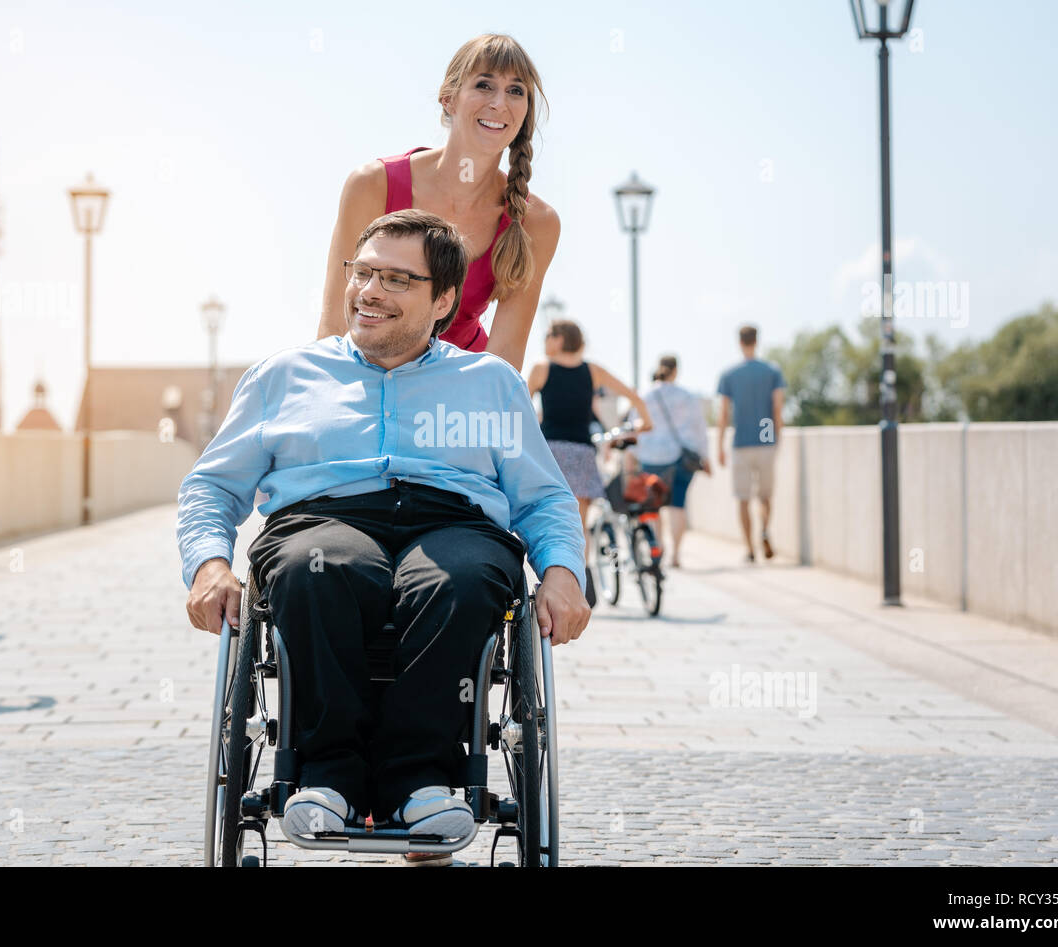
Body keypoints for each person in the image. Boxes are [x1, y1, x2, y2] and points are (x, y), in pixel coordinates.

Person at [178, 210, 588, 857]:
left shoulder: (489, 384)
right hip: (323, 518)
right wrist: (209, 564)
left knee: (459, 577)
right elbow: (212, 485)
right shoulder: (283, 377)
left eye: (397, 278)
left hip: (454, 522)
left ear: (444, 299)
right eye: (363, 272)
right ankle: (328, 775)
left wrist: (563, 573)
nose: (369, 290)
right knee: (322, 565)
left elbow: (543, 498)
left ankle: (421, 779)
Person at [316, 34, 560, 373]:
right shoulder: (372, 185)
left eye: (516, 91)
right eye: (484, 85)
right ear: (449, 99)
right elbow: (334, 328)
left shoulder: (537, 222)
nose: (499, 103)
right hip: (368, 379)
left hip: (457, 392)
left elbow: (503, 358)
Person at [527, 318, 652, 602]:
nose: (544, 341)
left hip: (551, 454)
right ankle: (580, 579)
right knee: (579, 526)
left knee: (549, 519)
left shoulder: (541, 369)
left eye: (547, 335)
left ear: (559, 339)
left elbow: (518, 407)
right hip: (583, 453)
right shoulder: (592, 371)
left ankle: (552, 579)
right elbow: (634, 396)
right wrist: (646, 421)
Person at [632, 355, 711, 569]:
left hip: (650, 458)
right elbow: (699, 430)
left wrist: (633, 454)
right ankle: (676, 555)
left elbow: (634, 427)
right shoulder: (686, 396)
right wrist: (706, 457)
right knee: (678, 504)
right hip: (680, 459)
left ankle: (658, 546)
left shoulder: (646, 396)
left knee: (655, 506)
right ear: (676, 371)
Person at [716, 325, 785, 563]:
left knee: (743, 498)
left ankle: (749, 548)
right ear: (757, 341)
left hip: (741, 442)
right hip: (766, 440)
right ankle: (764, 529)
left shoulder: (730, 374)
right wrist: (777, 438)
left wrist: (719, 446)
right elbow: (777, 408)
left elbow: (723, 413)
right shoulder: (772, 371)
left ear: (740, 342)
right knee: (765, 496)